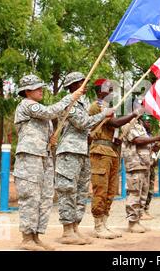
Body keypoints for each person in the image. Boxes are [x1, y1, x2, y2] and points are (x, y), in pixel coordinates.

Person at [13, 74, 82, 251]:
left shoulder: (37, 108)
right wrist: (70, 98)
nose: (40, 90)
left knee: (44, 198)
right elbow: (49, 112)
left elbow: (47, 121)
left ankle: (35, 237)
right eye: (37, 88)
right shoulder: (27, 104)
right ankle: (27, 238)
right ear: (27, 91)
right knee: (30, 197)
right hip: (29, 157)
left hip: (43, 157)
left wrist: (51, 140)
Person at [54, 72, 113, 245]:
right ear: (73, 85)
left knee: (80, 192)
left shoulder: (84, 102)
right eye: (82, 82)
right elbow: (82, 122)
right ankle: (67, 231)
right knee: (68, 190)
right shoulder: (69, 101)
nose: (85, 85)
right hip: (69, 151)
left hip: (82, 151)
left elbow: (86, 127)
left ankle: (75, 228)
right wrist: (104, 114)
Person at [88, 79, 142, 239]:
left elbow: (113, 127)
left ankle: (104, 223)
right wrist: (133, 114)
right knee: (101, 188)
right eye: (108, 88)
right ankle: (98, 225)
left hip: (111, 150)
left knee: (111, 190)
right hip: (100, 151)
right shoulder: (97, 106)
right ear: (99, 90)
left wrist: (117, 140)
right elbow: (113, 123)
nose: (111, 91)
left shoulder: (108, 108)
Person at [121, 114, 160, 232]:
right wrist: (157, 137)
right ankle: (132, 223)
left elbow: (149, 145)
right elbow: (137, 140)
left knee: (143, 195)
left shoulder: (141, 128)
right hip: (135, 164)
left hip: (145, 165)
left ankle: (138, 220)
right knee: (134, 194)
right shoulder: (129, 125)